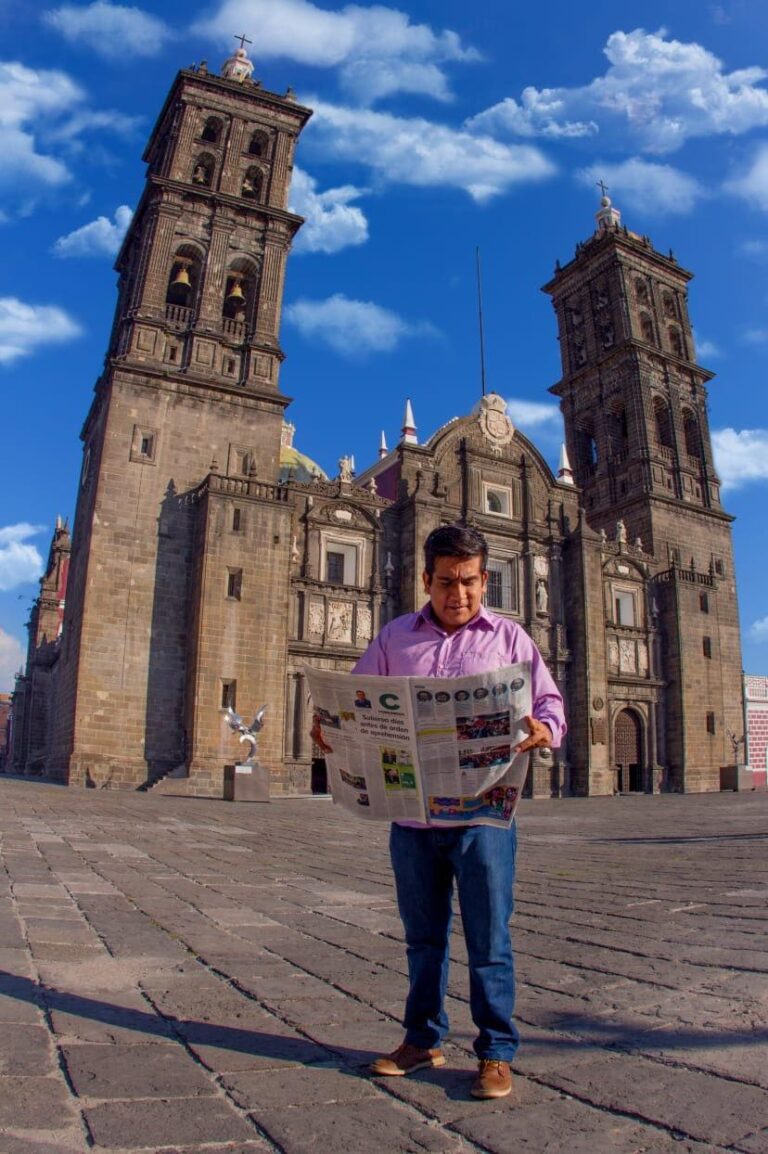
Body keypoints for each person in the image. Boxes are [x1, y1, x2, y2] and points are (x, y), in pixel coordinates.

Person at [312, 524, 565, 1100]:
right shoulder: (394, 638)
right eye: (447, 582)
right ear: (426, 580)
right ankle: (421, 1039)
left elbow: (550, 701)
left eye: (470, 581)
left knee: (489, 939)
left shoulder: (511, 639)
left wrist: (545, 728)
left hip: (483, 819)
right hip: (413, 821)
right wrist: (328, 726)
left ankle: (495, 1052)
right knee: (423, 939)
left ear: (485, 580)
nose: (459, 594)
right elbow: (352, 700)